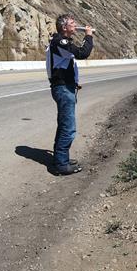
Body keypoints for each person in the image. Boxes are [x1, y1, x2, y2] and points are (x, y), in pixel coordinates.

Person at [46, 13, 93, 175]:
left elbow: (66, 65)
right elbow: (82, 53)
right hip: (62, 88)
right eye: (72, 23)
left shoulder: (60, 42)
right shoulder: (60, 41)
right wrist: (88, 36)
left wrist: (75, 82)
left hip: (66, 86)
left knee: (64, 125)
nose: (75, 25)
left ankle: (60, 158)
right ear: (64, 27)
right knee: (68, 127)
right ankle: (61, 164)